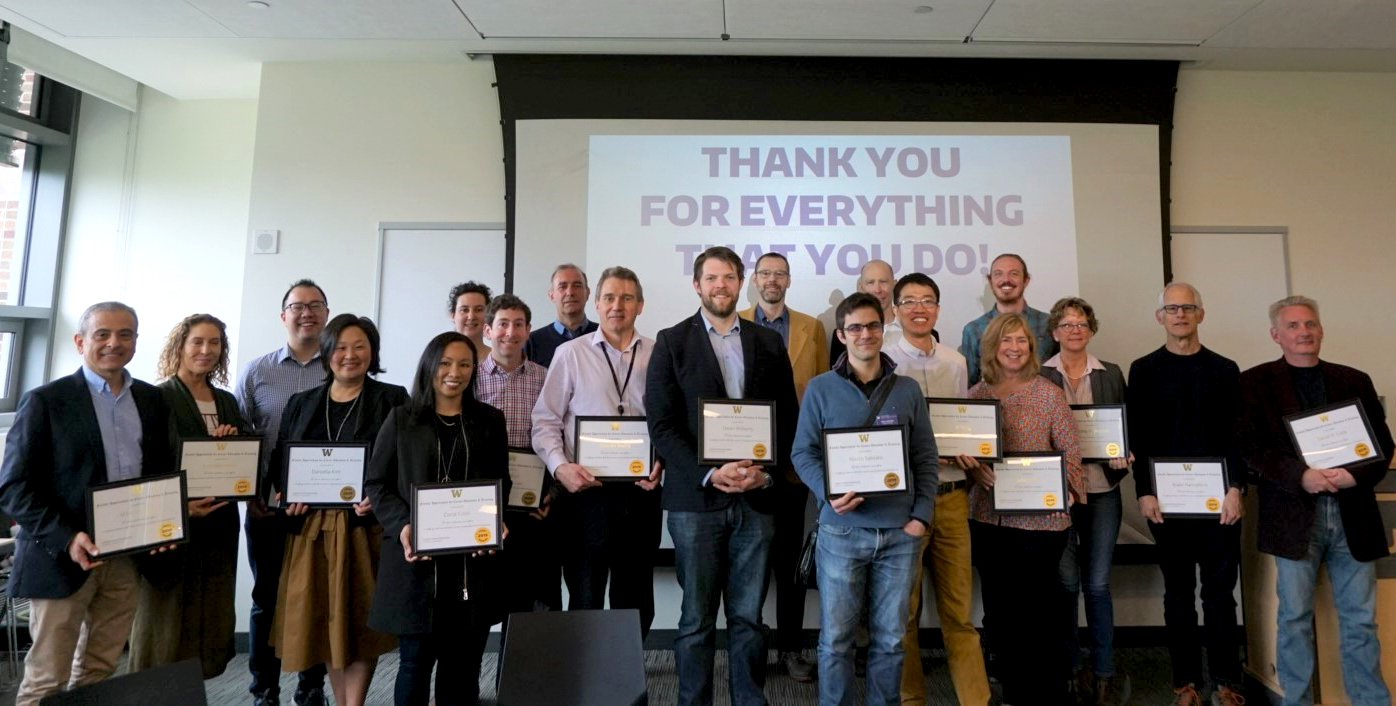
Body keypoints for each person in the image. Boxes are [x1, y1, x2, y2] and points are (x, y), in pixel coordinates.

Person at [0, 302, 174, 706]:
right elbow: (13, 487)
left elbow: (158, 474)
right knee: (46, 679)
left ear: (135, 341)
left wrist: (164, 524)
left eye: (125, 334)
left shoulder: (150, 400)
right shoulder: (46, 401)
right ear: (80, 342)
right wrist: (67, 537)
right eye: (102, 334)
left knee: (98, 673)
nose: (114, 343)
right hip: (61, 557)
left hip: (126, 558)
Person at [647, 246, 798, 706]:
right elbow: (663, 426)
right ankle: (693, 702)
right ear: (697, 285)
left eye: (730, 277)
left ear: (741, 283)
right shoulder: (671, 341)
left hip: (756, 499)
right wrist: (711, 473)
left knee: (749, 617)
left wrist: (764, 475)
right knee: (695, 618)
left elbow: (787, 419)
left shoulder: (768, 342)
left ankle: (749, 699)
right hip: (697, 503)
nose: (721, 286)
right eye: (712, 278)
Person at [1238, 295, 1392, 706]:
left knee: (1361, 621)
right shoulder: (1254, 382)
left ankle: (1371, 701)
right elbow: (1250, 448)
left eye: (1310, 324)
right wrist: (1300, 476)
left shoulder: (1355, 379)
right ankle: (1298, 702)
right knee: (1293, 620)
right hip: (1293, 515)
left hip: (1352, 514)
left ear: (1321, 330)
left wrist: (1353, 474)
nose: (1303, 332)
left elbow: (1381, 446)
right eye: (1292, 326)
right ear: (1276, 335)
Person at [791, 292, 938, 706]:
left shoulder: (907, 390)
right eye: (854, 327)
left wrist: (921, 517)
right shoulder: (821, 389)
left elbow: (925, 457)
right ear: (841, 334)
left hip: (900, 534)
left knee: (891, 640)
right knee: (835, 641)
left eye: (872, 326)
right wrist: (828, 492)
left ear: (883, 328)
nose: (865, 334)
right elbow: (802, 453)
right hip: (840, 532)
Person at [366, 331, 512, 706]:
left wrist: (496, 520)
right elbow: (378, 484)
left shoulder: (490, 421)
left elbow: (501, 483)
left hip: (471, 568)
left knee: (463, 669)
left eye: (465, 364)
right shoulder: (402, 419)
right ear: (430, 366)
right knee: (414, 666)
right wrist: (403, 527)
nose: (455, 372)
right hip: (418, 567)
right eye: (446, 363)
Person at [269, 314, 408, 706]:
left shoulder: (392, 399)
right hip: (312, 532)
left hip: (365, 529)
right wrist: (287, 495)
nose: (350, 355)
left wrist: (380, 497)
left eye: (360, 347)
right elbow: (283, 459)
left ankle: (354, 703)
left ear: (372, 352)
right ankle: (342, 699)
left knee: (360, 622)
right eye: (342, 347)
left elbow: (408, 461)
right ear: (327, 352)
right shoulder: (302, 403)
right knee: (326, 622)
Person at [954, 312, 1084, 706]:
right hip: (989, 519)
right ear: (991, 347)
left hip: (1041, 522)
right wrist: (973, 469)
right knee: (1001, 611)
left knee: (1039, 610)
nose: (1014, 348)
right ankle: (1013, 691)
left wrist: (1067, 490)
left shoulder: (1049, 394)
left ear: (1032, 347)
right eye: (1005, 341)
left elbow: (1071, 455)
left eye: (1022, 341)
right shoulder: (975, 397)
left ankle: (1047, 695)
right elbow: (963, 456)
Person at [1126, 283, 1245, 706]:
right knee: (1177, 595)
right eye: (1171, 308)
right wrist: (1144, 491)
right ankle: (1186, 684)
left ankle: (1228, 681)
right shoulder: (1142, 370)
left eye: (1187, 307)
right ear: (1160, 317)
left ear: (1201, 314)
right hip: (1166, 503)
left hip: (1220, 504)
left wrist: (1236, 487)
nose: (1180, 314)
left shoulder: (1225, 369)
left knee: (1219, 596)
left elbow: (1237, 435)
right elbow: (1137, 437)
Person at [531, 266, 663, 635]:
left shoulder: (659, 354)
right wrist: (560, 469)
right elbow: (544, 422)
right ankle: (584, 682)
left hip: (641, 494)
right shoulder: (570, 354)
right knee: (585, 595)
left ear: (640, 305)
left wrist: (662, 461)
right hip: (585, 496)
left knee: (635, 598)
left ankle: (628, 684)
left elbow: (668, 423)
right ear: (597, 303)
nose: (617, 305)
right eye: (609, 297)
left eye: (626, 298)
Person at [883, 273, 989, 706]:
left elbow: (962, 423)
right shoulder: (883, 358)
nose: (919, 309)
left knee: (959, 614)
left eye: (928, 301)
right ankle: (911, 701)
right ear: (895, 310)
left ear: (939, 310)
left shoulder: (956, 361)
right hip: (904, 503)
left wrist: (967, 450)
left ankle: (976, 701)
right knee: (903, 616)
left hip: (951, 498)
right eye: (909, 302)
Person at [129, 314, 248, 679]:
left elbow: (241, 464)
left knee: (209, 616)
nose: (206, 350)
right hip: (173, 525)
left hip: (219, 525)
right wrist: (179, 507)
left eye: (215, 343)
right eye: (197, 341)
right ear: (180, 345)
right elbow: (146, 465)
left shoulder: (227, 401)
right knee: (165, 621)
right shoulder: (157, 398)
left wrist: (233, 444)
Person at [237, 278, 332, 706]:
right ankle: (264, 689)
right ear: (283, 316)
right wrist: (250, 493)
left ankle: (311, 686)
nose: (306, 312)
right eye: (297, 305)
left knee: (315, 598)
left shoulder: (339, 367)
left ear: (326, 314)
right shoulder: (258, 371)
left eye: (315, 305)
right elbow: (238, 439)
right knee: (267, 599)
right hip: (266, 506)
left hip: (324, 509)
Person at [737, 250, 828, 681]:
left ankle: (792, 648)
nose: (773, 280)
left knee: (790, 563)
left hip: (794, 464)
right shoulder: (733, 321)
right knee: (747, 563)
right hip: (744, 463)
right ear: (755, 279)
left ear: (789, 280)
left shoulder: (812, 327)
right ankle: (750, 649)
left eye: (780, 274)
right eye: (765, 273)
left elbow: (826, 389)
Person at [1039, 297, 1132, 705]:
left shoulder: (1111, 374)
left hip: (1102, 492)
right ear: (1055, 332)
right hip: (1057, 496)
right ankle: (1071, 672)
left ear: (1091, 329)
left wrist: (1125, 455)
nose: (1074, 330)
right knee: (1065, 585)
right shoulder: (1039, 375)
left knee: (1096, 585)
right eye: (1066, 324)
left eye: (1081, 323)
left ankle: (1105, 674)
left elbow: (1127, 428)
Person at [474, 293, 558, 613]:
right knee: (484, 598)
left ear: (528, 330)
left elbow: (559, 436)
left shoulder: (546, 377)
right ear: (488, 330)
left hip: (532, 504)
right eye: (503, 324)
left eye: (518, 325)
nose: (510, 332)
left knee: (529, 597)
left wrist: (552, 491)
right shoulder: (471, 379)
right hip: (484, 499)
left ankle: (521, 662)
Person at [959, 253, 1056, 386]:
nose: (1006, 279)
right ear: (990, 281)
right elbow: (969, 387)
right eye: (998, 274)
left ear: (1026, 280)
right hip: (993, 405)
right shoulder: (973, 330)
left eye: (1014, 274)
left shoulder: (1049, 325)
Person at [525, 264, 597, 368]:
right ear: (552, 295)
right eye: (562, 286)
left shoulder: (604, 336)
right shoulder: (532, 342)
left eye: (577, 286)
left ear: (587, 293)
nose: (570, 292)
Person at [829, 259, 900, 364]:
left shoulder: (912, 328)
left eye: (883, 282)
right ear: (861, 286)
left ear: (894, 284)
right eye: (870, 282)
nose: (877, 289)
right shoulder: (844, 334)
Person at [449, 281, 493, 361]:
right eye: (465, 310)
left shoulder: (500, 362)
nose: (471, 317)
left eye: (479, 310)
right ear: (452, 315)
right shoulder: (439, 358)